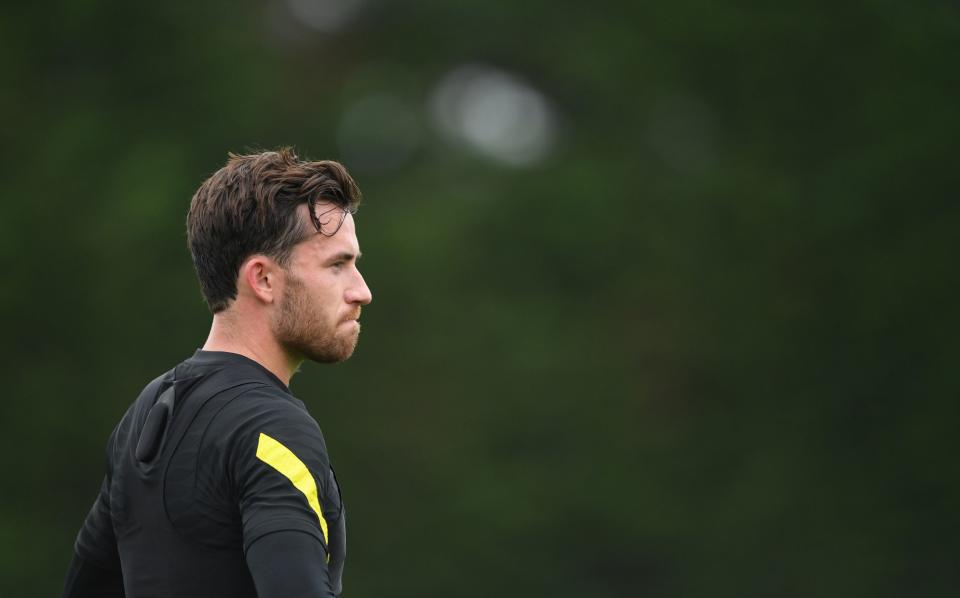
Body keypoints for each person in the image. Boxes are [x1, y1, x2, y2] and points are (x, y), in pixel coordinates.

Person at [62, 148, 373, 598]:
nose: (361, 291)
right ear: (263, 279)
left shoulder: (143, 416)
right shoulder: (272, 428)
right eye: (337, 265)